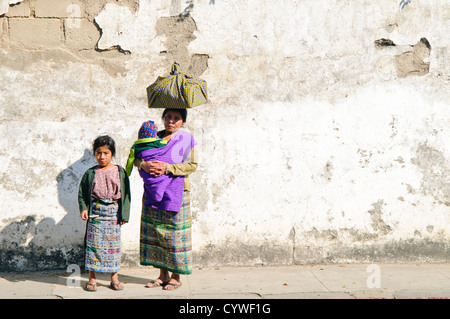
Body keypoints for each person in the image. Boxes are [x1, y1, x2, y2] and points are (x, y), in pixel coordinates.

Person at [135, 108, 198, 290]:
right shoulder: (152, 137)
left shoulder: (186, 139)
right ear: (163, 118)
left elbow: (192, 165)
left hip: (177, 193)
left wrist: (168, 168)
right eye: (168, 117)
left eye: (176, 118)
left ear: (182, 122)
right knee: (157, 233)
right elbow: (136, 157)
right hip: (154, 191)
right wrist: (144, 165)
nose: (171, 121)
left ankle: (176, 276)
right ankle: (162, 275)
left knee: (175, 235)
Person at [78, 135, 131, 292]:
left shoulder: (120, 172)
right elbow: (82, 194)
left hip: (113, 214)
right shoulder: (90, 173)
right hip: (96, 214)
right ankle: (92, 278)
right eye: (98, 153)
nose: (102, 157)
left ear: (112, 153)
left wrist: (124, 215)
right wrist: (84, 208)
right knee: (93, 246)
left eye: (106, 153)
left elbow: (126, 195)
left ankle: (114, 277)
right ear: (95, 154)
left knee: (112, 247)